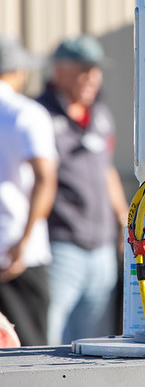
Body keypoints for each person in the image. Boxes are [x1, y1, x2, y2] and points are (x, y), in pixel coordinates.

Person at [37, 36, 129, 344]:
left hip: (101, 248)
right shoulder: (39, 115)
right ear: (58, 70)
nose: (91, 79)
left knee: (92, 344)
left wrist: (123, 217)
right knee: (50, 339)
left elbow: (106, 170)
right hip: (60, 245)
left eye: (95, 70)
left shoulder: (100, 115)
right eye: (82, 70)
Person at [0, 36, 58, 346]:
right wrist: (24, 241)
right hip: (18, 253)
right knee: (27, 353)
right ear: (18, 70)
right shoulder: (25, 113)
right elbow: (45, 178)